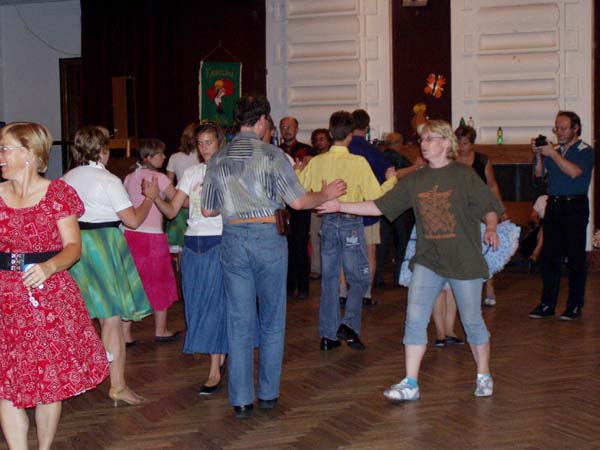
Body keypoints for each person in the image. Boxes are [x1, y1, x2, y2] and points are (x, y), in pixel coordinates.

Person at [317, 119, 503, 401]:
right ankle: (411, 382)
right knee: (414, 319)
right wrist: (340, 205)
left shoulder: (464, 175)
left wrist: (490, 227)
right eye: (422, 139)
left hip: (464, 260)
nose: (423, 145)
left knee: (472, 321)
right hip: (428, 260)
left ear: (445, 143)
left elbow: (490, 207)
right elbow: (380, 206)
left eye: (429, 139)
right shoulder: (417, 179)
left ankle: (484, 374)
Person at [201, 95, 346, 418]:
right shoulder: (273, 155)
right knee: (271, 318)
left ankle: (240, 399)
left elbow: (208, 208)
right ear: (263, 120)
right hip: (268, 238)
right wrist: (326, 194)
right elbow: (297, 202)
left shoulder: (218, 159)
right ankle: (267, 392)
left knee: (239, 321)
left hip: (233, 238)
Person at [0, 122, 109, 450]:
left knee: (48, 380)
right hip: (5, 297)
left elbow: (73, 247)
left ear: (30, 154)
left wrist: (48, 267)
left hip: (48, 298)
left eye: (5, 149)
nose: (0, 156)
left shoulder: (58, 194)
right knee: (6, 383)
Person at [64, 125, 156, 407]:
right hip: (104, 246)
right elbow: (133, 221)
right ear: (102, 150)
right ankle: (117, 386)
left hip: (75, 244)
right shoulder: (108, 180)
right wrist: (150, 197)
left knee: (82, 317)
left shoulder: (66, 177)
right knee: (112, 319)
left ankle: (80, 379)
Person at [298, 111, 397, 351]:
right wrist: (391, 180)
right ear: (351, 136)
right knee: (360, 278)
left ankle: (327, 336)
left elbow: (300, 188)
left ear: (330, 134)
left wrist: (298, 169)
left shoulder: (318, 161)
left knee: (330, 280)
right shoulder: (358, 163)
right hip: (352, 223)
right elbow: (376, 196)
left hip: (328, 224)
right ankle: (349, 325)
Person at [152, 123, 228, 395]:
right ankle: (217, 355)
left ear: (219, 142)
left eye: (209, 142)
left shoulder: (228, 170)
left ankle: (214, 370)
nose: (204, 147)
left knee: (215, 305)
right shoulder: (193, 172)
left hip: (218, 240)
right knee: (195, 304)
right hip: (193, 242)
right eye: (200, 143)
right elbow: (172, 211)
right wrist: (154, 198)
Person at [528, 111, 594, 320]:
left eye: (564, 128)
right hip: (554, 204)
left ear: (576, 129)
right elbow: (539, 174)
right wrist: (539, 154)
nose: (559, 132)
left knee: (575, 257)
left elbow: (575, 173)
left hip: (574, 205)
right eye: (557, 127)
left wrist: (553, 154)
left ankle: (574, 305)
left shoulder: (585, 150)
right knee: (549, 257)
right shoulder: (553, 151)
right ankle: (547, 304)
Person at [123, 139, 180, 343]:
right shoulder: (159, 177)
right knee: (160, 281)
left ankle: (126, 334)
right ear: (148, 157)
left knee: (131, 283)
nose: (164, 157)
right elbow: (177, 200)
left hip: (130, 235)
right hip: (153, 237)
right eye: (160, 154)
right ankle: (161, 329)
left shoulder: (130, 177)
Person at [455, 125, 504, 307]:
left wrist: (500, 209)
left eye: (465, 143)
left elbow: (492, 185)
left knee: (485, 250)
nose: (461, 147)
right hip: (459, 211)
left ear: (472, 144)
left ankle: (489, 286)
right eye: (458, 143)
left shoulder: (482, 160)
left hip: (481, 210)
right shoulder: (451, 161)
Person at [348, 109, 393, 305]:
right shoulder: (372, 151)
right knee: (369, 252)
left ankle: (342, 292)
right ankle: (365, 294)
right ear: (366, 127)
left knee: (344, 253)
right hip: (369, 209)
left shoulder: (344, 148)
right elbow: (387, 176)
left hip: (346, 208)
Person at [375, 131, 422, 285]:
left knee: (383, 242)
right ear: (398, 144)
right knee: (402, 242)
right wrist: (416, 166)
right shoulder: (394, 157)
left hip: (383, 203)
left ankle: (378, 277)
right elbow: (398, 174)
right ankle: (398, 277)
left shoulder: (381, 156)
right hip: (399, 205)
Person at [279, 116, 315, 299]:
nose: (286, 130)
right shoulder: (275, 151)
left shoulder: (308, 151)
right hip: (281, 207)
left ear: (297, 128)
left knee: (300, 245)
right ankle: (286, 287)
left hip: (301, 204)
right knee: (284, 246)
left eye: (289, 126)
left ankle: (302, 287)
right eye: (283, 126)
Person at [165, 123, 199, 249]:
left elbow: (168, 186)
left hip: (179, 203)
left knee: (180, 246)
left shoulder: (174, 157)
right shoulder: (204, 158)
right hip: (198, 204)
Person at [308, 128, 333, 280]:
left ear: (329, 141)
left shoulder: (332, 159)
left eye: (322, 139)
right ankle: (316, 267)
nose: (319, 142)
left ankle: (330, 268)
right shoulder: (312, 160)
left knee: (329, 237)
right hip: (314, 202)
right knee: (315, 237)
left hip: (330, 202)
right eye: (316, 139)